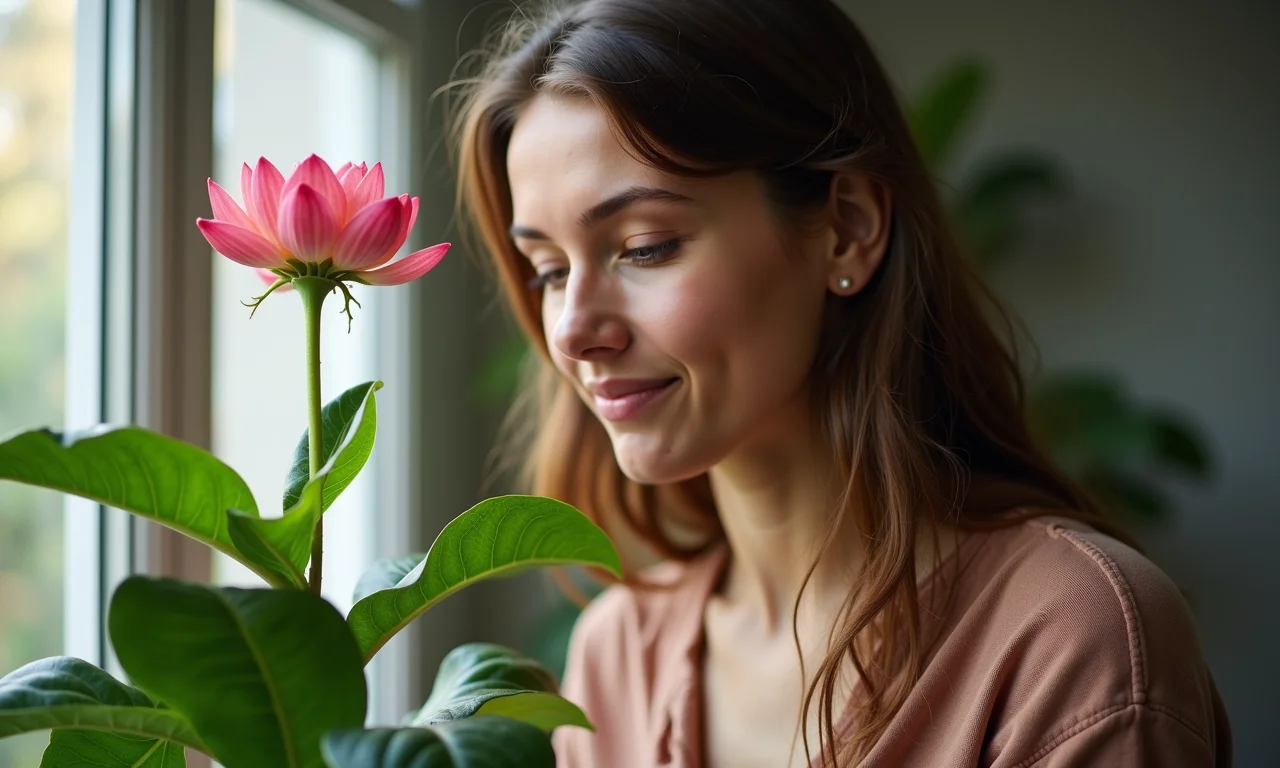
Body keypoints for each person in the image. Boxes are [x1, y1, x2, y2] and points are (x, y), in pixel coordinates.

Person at [451, 0, 1232, 765]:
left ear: (850, 227)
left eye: (646, 246)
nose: (571, 330)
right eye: (548, 271)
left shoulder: (1070, 639)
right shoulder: (616, 658)